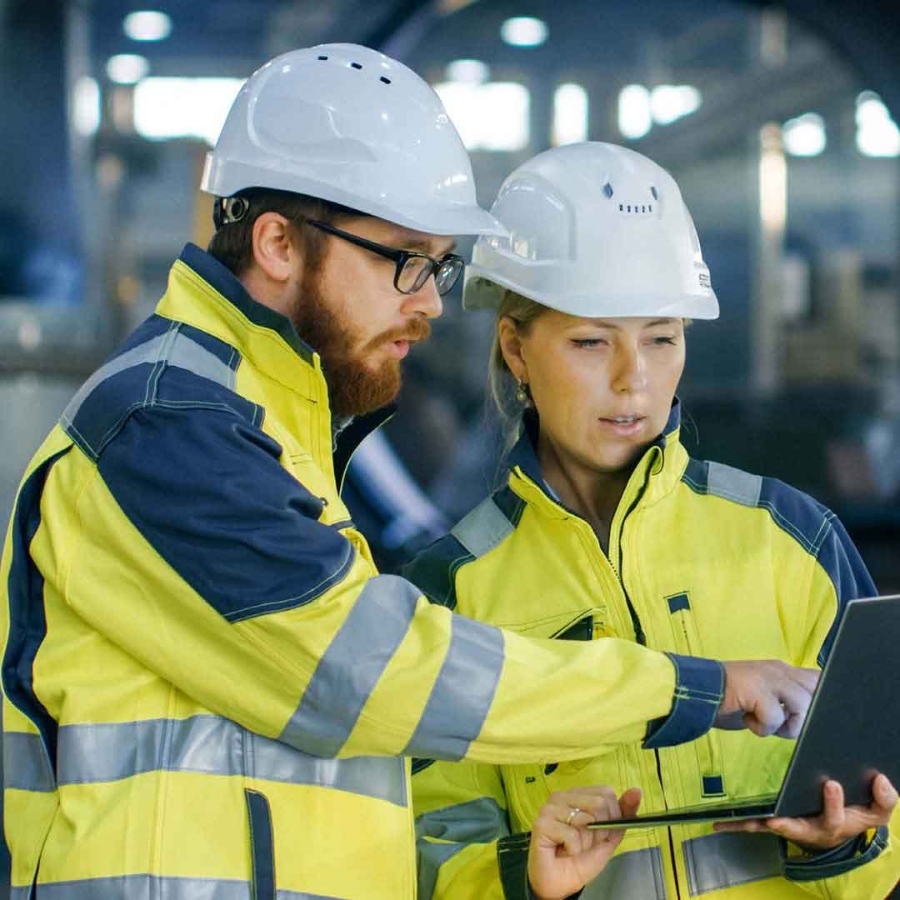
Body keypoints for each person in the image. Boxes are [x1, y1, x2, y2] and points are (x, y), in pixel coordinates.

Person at [1, 49, 817, 900]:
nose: (429, 301)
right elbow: (367, 673)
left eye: (438, 264)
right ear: (278, 242)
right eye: (405, 259)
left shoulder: (270, 421)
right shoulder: (168, 424)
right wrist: (694, 688)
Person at [404, 141, 900, 900]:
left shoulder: (794, 539)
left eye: (662, 339)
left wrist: (848, 844)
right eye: (591, 341)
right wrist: (524, 877)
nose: (635, 379)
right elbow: (426, 855)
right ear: (516, 350)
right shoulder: (453, 592)